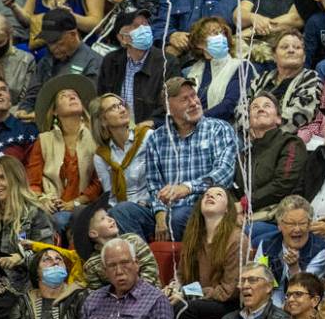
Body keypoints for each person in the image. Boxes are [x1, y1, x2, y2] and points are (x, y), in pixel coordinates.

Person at [145, 76, 239, 238]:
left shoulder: (219, 129)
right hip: (168, 211)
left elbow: (224, 173)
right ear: (169, 108)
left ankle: (189, 262)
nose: (194, 102)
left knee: (178, 217)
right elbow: (154, 185)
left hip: (203, 209)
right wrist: (159, 214)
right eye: (184, 99)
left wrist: (187, 187)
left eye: (194, 95)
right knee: (124, 212)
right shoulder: (156, 138)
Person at [25, 75, 103, 234]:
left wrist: (75, 203)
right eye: (63, 96)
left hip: (86, 206)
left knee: (63, 219)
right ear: (54, 111)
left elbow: (99, 181)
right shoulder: (43, 140)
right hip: (51, 207)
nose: (71, 96)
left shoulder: (96, 138)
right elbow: (33, 182)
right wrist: (43, 200)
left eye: (74, 94)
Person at [168, 187, 249, 319]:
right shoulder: (193, 237)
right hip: (198, 298)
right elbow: (181, 275)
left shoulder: (237, 239)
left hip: (227, 304)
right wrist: (174, 289)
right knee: (162, 303)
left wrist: (187, 294)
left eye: (218, 195)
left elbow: (228, 292)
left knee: (184, 308)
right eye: (207, 194)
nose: (210, 196)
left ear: (227, 209)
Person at [0, 157, 54, 285]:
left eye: (2, 177)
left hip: (20, 287)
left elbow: (48, 255)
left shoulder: (35, 213)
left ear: (16, 179)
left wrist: (21, 258)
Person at [86, 95, 154, 239]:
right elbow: (111, 196)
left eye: (122, 104)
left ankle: (137, 256)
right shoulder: (102, 155)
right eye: (113, 108)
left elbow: (159, 180)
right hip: (121, 212)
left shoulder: (147, 137)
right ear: (103, 120)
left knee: (121, 211)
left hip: (150, 209)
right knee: (91, 218)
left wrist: (143, 203)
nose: (122, 109)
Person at [17, 10, 103, 118]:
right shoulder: (45, 61)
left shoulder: (93, 62)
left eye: (59, 43)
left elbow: (89, 104)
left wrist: (44, 116)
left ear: (73, 34)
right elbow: (32, 95)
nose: (53, 48)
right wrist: (24, 110)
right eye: (49, 43)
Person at [237, 93, 308, 220]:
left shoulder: (291, 143)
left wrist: (244, 204)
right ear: (249, 120)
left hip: (280, 216)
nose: (260, 109)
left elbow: (283, 184)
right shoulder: (244, 154)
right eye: (255, 107)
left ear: (279, 119)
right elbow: (235, 187)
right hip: (243, 215)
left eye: (267, 105)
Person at [95, 10, 170, 125]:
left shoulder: (166, 62)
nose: (144, 29)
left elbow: (171, 105)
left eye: (145, 24)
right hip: (118, 129)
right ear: (122, 38)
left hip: (153, 131)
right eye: (136, 26)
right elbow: (102, 100)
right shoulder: (110, 61)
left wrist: (153, 122)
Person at [69, 196, 160, 290]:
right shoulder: (92, 265)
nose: (111, 219)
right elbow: (97, 293)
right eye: (103, 218)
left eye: (108, 216)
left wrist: (134, 296)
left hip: (149, 295)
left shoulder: (134, 241)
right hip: (116, 302)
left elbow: (151, 270)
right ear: (93, 233)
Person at [182, 18, 255, 125]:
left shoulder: (241, 66)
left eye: (222, 33)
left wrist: (196, 119)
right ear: (199, 43)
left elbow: (230, 105)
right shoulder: (191, 71)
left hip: (225, 127)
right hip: (193, 126)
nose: (220, 37)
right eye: (214, 33)